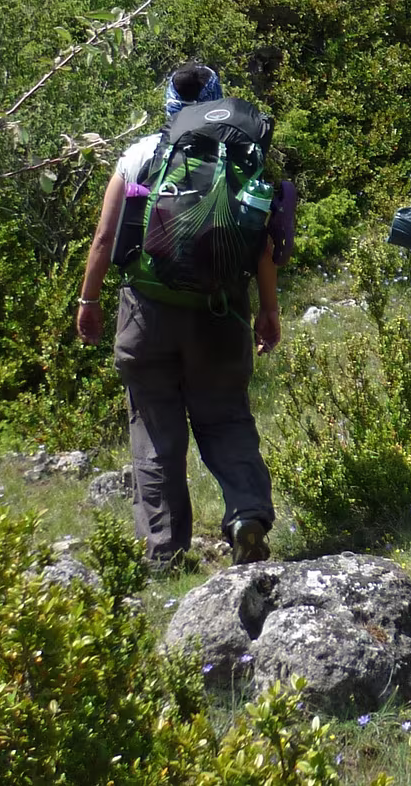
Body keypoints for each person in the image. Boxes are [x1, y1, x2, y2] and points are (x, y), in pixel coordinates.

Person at [77, 63, 291, 568]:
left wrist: (89, 301)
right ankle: (247, 516)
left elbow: (105, 238)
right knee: (226, 416)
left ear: (168, 105)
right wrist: (268, 309)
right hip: (220, 313)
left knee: (155, 430)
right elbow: (263, 247)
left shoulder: (142, 154)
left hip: (146, 314)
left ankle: (165, 553)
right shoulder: (243, 155)